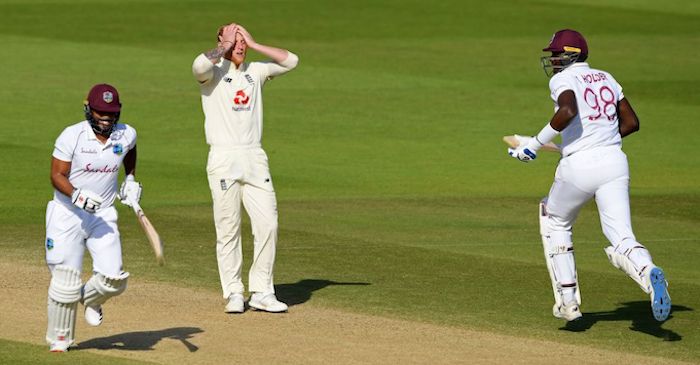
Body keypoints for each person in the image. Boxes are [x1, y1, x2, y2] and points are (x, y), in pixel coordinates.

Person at [508, 29, 671, 322]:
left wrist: (532, 145)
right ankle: (649, 271)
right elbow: (631, 123)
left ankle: (568, 301)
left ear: (571, 54)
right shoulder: (607, 77)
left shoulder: (563, 79)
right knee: (622, 237)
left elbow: (568, 109)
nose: (553, 60)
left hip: (580, 166)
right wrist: (600, 139)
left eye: (557, 54)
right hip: (615, 162)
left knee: (554, 218)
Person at [192, 23, 299, 313]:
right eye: (233, 40)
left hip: (254, 157)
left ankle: (263, 290)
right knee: (228, 228)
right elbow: (198, 65)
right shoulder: (212, 74)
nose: (239, 45)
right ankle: (234, 292)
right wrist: (224, 48)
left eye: (242, 41)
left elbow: (291, 61)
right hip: (224, 158)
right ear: (220, 41)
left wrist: (255, 43)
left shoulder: (256, 72)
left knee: (268, 223)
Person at [45, 83, 142, 351]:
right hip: (67, 214)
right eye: (100, 112)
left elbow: (129, 149)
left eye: (110, 113)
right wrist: (77, 196)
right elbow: (56, 175)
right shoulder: (72, 135)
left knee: (114, 280)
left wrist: (131, 178)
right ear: (89, 109)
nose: (106, 118)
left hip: (103, 215)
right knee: (65, 279)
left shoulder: (126, 134)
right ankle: (60, 340)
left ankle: (91, 299)